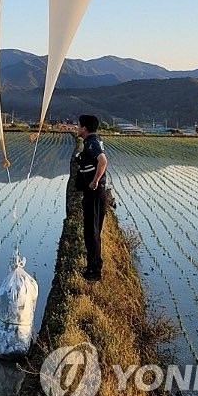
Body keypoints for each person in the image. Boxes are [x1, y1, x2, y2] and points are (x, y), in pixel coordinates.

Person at [76, 114, 108, 280]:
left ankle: (94, 272)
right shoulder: (92, 141)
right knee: (91, 231)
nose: (77, 128)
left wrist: (94, 181)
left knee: (92, 232)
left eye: (78, 125)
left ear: (85, 128)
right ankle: (92, 268)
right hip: (94, 194)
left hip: (95, 193)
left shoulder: (92, 143)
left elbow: (103, 161)